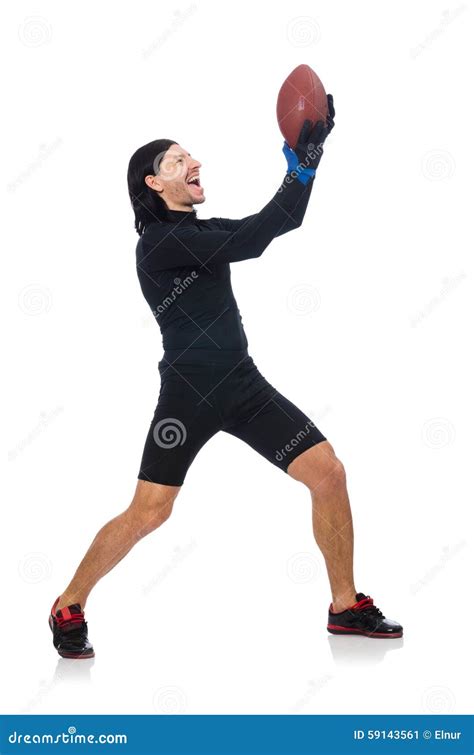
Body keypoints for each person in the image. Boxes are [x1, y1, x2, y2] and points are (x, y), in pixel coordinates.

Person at [49, 96, 402, 658]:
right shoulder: (160, 243)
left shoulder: (203, 231)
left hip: (243, 386)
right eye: (177, 160)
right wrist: (299, 167)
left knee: (329, 473)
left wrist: (308, 161)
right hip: (190, 393)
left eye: (192, 155)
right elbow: (258, 236)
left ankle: (344, 605)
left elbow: (281, 221)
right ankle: (69, 603)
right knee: (150, 512)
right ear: (154, 183)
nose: (194, 163)